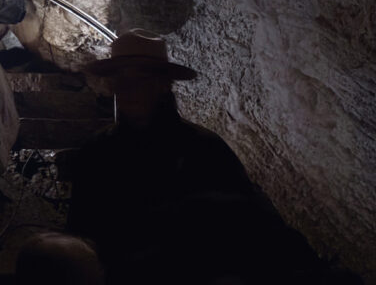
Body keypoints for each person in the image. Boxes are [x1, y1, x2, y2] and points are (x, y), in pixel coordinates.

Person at [67, 29, 319, 285]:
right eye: (121, 80)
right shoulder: (96, 154)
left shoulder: (204, 150)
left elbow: (248, 230)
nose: (130, 90)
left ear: (163, 84)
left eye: (142, 78)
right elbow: (82, 235)